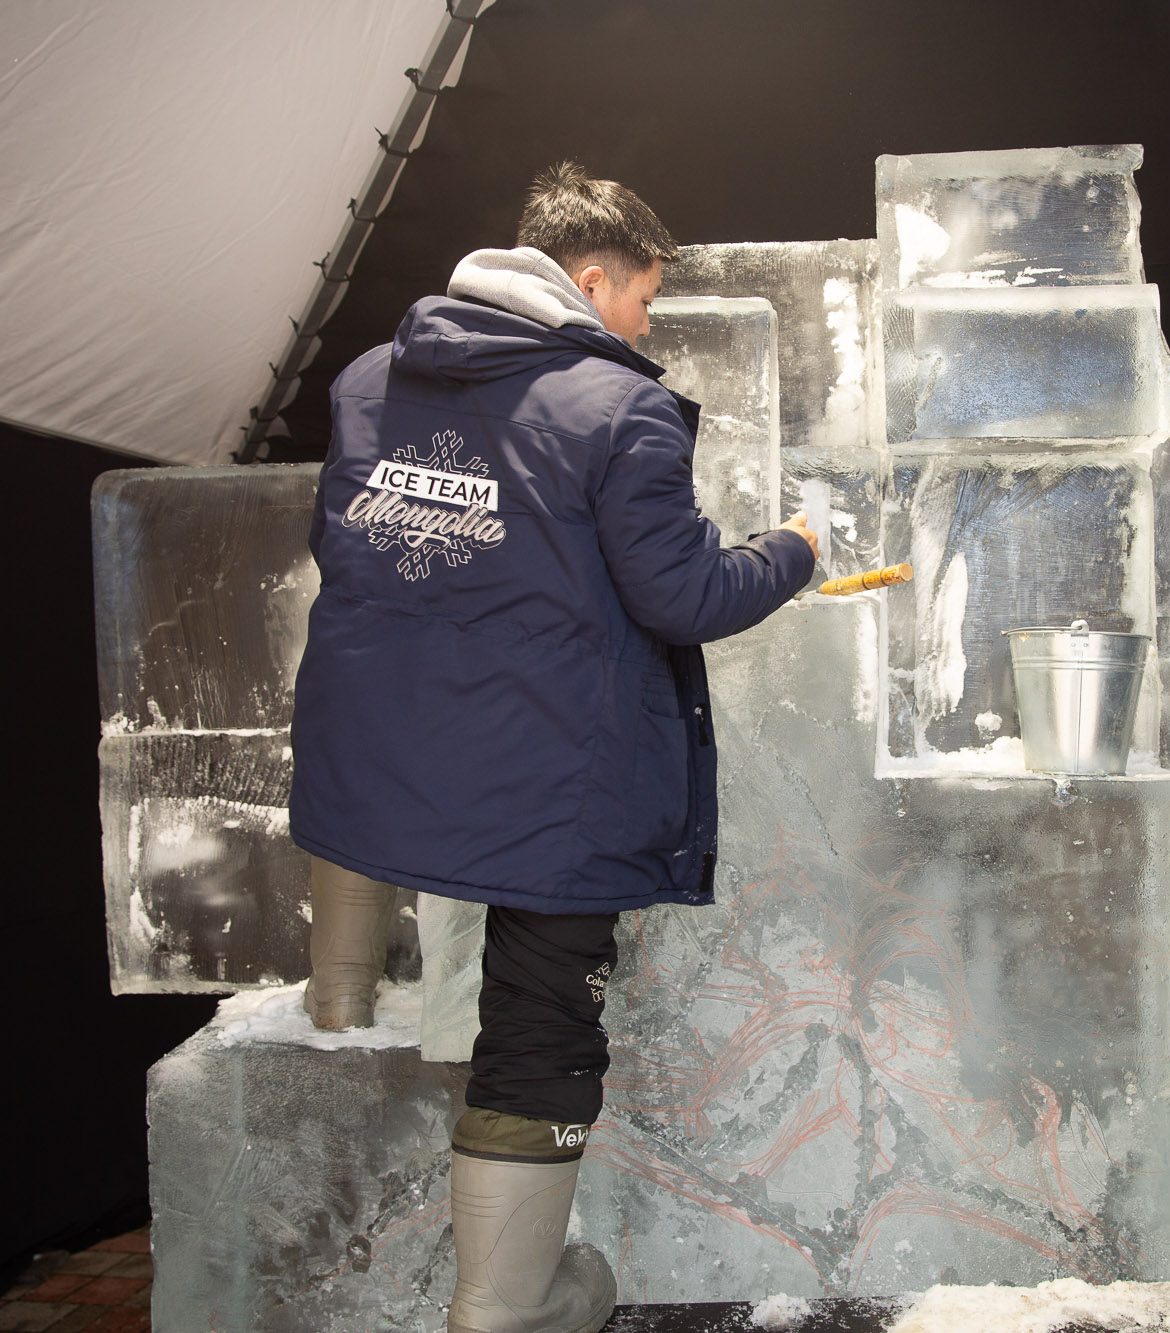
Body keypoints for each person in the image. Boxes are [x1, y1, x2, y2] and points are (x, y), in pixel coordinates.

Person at [287, 161, 818, 1333]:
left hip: (374, 752)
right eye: (642, 299)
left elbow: (351, 551)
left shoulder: (368, 378)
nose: (645, 326)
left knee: (371, 822)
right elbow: (684, 595)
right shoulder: (617, 407)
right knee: (538, 1022)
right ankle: (505, 1306)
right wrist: (793, 547)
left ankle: (339, 994)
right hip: (546, 784)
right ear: (588, 280)